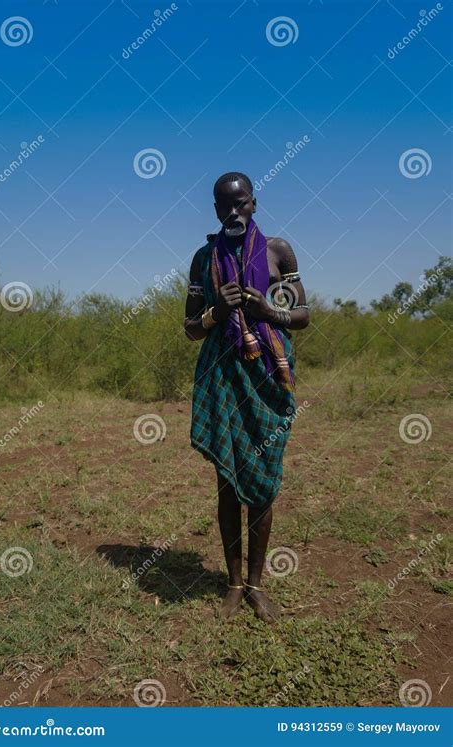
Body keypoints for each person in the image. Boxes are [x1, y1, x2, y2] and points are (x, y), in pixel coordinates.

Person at [184, 172, 309, 623]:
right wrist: (217, 312)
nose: (232, 213)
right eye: (223, 207)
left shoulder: (279, 250)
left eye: (240, 205)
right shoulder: (204, 257)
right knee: (227, 479)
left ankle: (256, 585)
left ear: (254, 203)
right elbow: (191, 328)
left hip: (266, 376)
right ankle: (234, 584)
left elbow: (302, 314)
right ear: (215, 209)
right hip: (222, 373)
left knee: (262, 480)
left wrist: (267, 310)